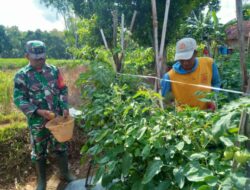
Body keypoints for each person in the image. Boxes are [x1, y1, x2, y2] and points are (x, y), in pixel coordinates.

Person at [13, 40, 76, 190]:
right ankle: (42, 182)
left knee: (61, 146)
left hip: (58, 121)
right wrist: (38, 111)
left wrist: (64, 107)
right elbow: (19, 99)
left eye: (42, 57)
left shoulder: (54, 71)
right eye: (36, 58)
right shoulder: (22, 76)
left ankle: (65, 174)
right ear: (27, 56)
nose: (40, 61)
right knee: (39, 152)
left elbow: (62, 89)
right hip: (37, 122)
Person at [161, 37, 221, 111]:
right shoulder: (169, 76)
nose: (185, 63)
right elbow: (162, 100)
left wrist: (213, 98)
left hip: (208, 113)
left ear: (195, 53)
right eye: (181, 60)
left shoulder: (209, 64)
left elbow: (216, 83)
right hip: (185, 119)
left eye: (188, 58)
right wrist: (172, 107)